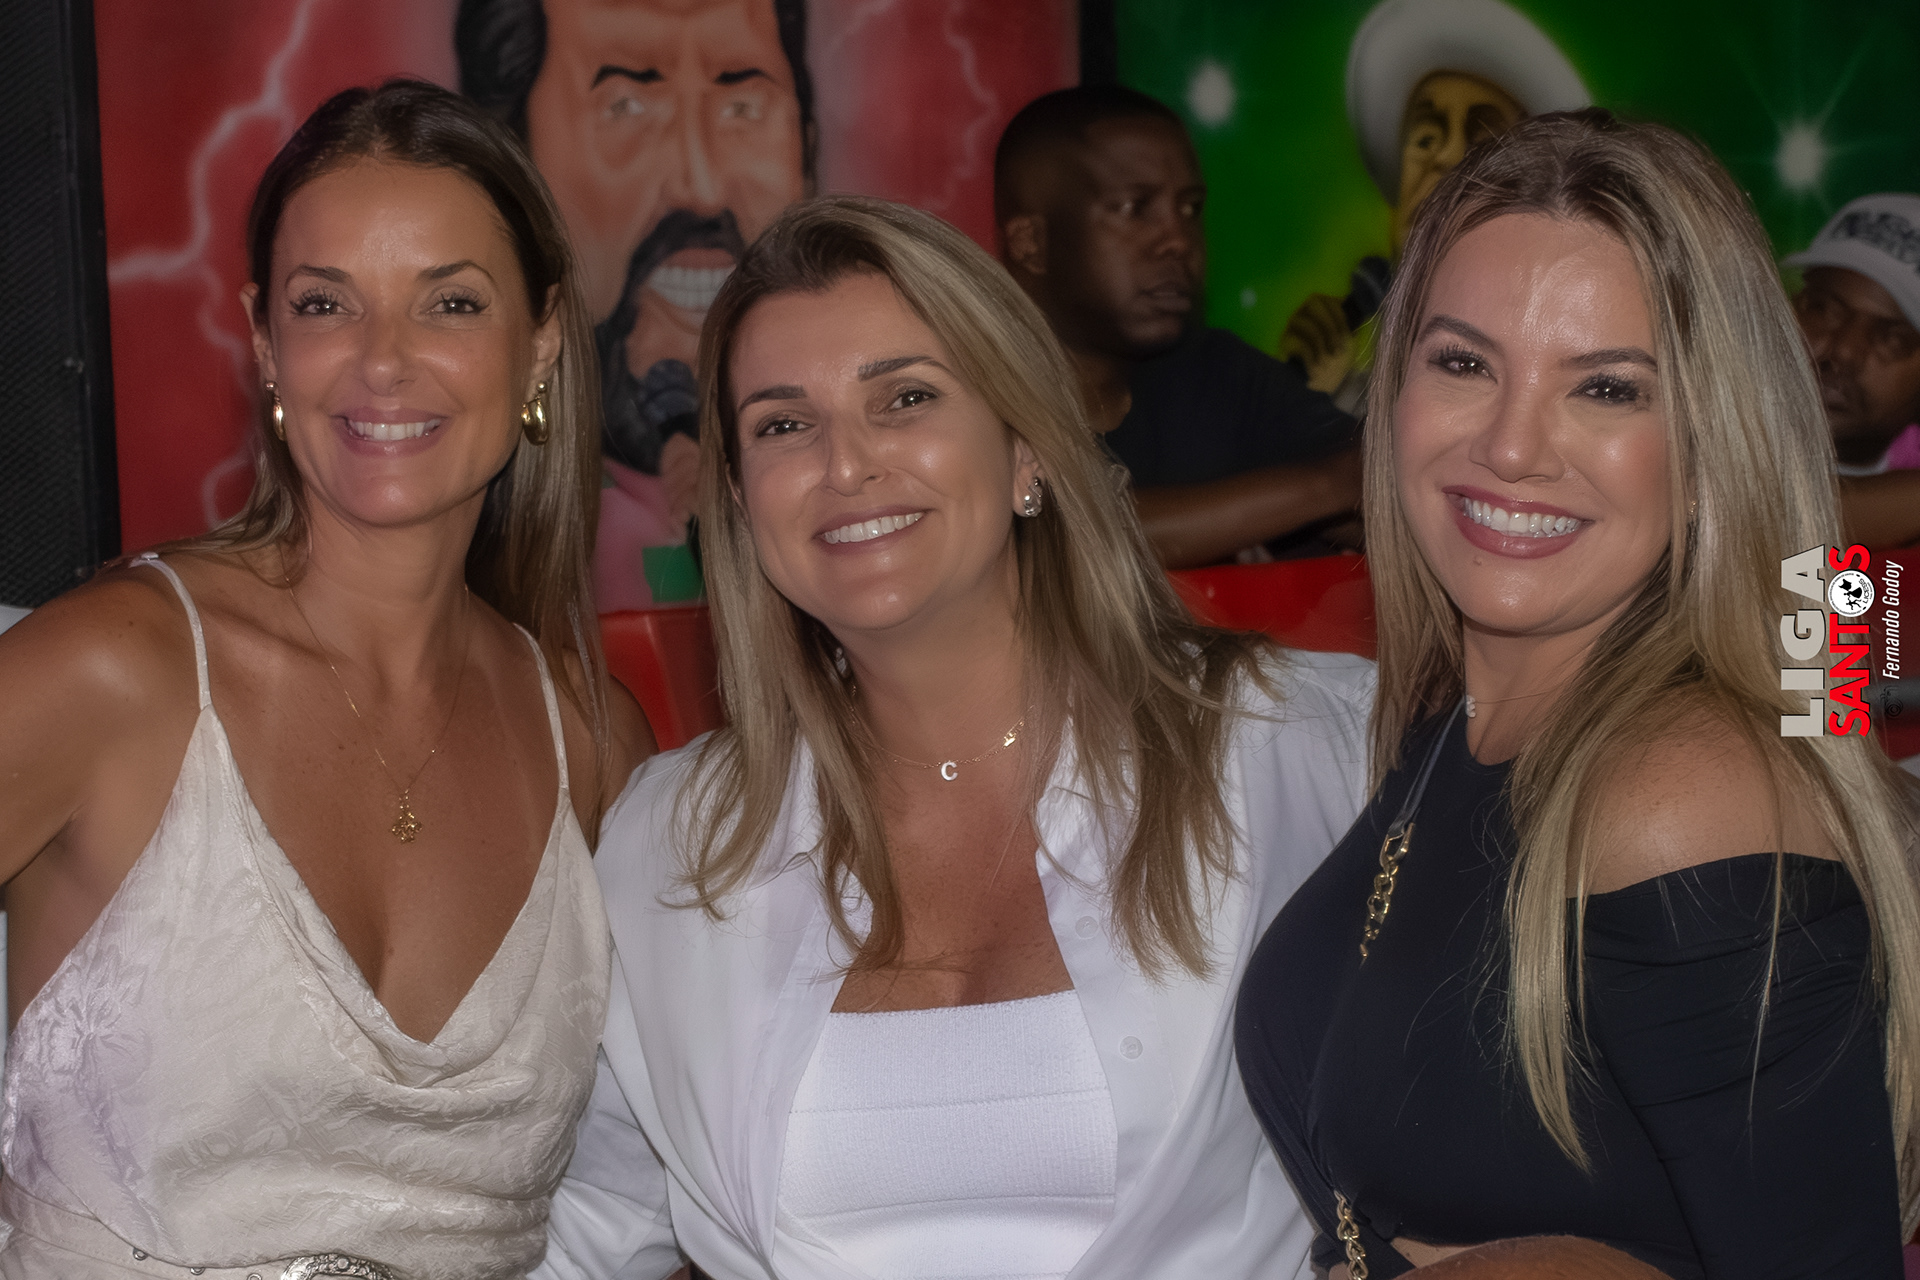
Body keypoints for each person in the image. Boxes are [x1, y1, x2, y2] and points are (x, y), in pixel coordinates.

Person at [532, 195, 1375, 1279]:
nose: (846, 464)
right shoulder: (671, 841)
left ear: (1026, 446)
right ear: (738, 498)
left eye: (906, 398)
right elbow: (590, 1229)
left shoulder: (1301, 746)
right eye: (784, 424)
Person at [1235, 109, 1920, 1280]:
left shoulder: (1695, 781)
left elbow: (1827, 720)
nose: (1512, 446)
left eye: (1606, 386)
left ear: (1712, 432)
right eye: (1463, 362)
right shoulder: (1456, 704)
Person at [0, 81, 653, 1278]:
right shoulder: (114, 670)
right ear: (266, 341)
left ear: (544, 338)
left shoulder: (594, 741)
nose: (384, 359)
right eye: (325, 303)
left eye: (450, 301)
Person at [457, 0, 813, 608]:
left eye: (743, 107)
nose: (700, 188)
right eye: (626, 107)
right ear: (513, 168)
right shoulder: (466, 543)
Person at [994, 85, 1363, 568]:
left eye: (1190, 209)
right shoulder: (965, 388)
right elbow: (1064, 534)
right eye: (1135, 207)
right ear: (1031, 243)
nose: (1179, 241)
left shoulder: (1215, 374)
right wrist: (1328, 487)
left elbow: (1377, 488)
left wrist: (1353, 502)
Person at [1282, 0, 1588, 406]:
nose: (1443, 158)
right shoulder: (1351, 408)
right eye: (1426, 138)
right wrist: (1306, 403)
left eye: (1481, 144)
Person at [1785, 194, 1920, 549]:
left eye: (1893, 338)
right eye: (1823, 309)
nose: (1844, 349)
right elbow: (1761, 514)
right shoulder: (1698, 421)